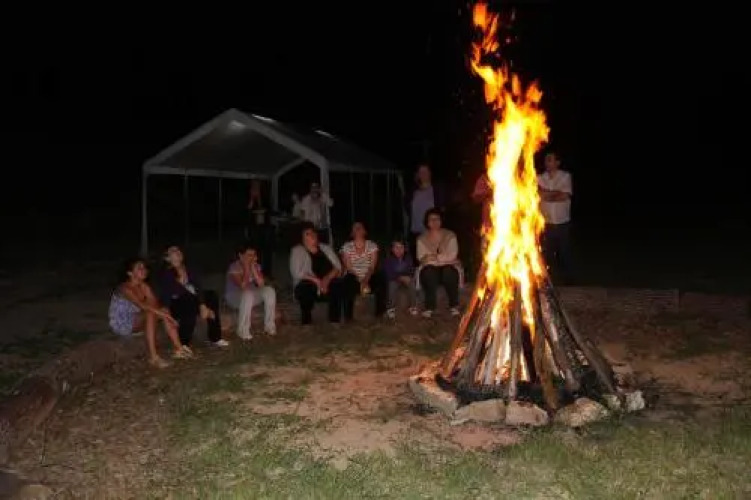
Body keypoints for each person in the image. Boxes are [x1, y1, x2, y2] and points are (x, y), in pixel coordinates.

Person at [108, 257, 192, 368]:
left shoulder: (144, 286)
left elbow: (155, 305)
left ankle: (179, 349)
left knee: (163, 310)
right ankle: (154, 357)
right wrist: (167, 316)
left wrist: (166, 314)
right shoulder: (125, 288)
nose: (144, 270)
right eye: (139, 268)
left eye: (144, 268)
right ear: (130, 273)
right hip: (123, 323)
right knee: (151, 313)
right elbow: (142, 306)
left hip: (137, 318)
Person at [160, 246, 228, 348]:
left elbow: (198, 287)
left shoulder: (188, 269)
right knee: (188, 300)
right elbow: (177, 292)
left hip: (193, 300)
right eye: (173, 251)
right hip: (175, 304)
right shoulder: (166, 272)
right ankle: (184, 343)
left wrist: (203, 304)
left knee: (211, 295)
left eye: (179, 250)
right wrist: (202, 306)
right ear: (168, 258)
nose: (178, 252)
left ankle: (215, 338)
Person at [289, 223, 350, 325]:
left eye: (313, 232)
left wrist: (327, 279)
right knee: (304, 288)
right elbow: (296, 272)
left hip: (328, 282)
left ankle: (335, 321)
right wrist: (317, 281)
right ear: (302, 239)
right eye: (307, 234)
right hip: (309, 283)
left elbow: (338, 267)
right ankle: (307, 322)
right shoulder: (297, 251)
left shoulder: (326, 248)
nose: (312, 235)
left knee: (338, 285)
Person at [416, 208, 463, 318]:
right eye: (431, 219)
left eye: (437, 219)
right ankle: (429, 307)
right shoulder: (422, 239)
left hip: (448, 266)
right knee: (429, 273)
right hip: (431, 267)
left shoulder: (450, 235)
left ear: (441, 221)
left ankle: (454, 306)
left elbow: (453, 254)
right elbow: (421, 258)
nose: (434, 222)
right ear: (427, 223)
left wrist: (433, 257)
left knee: (449, 272)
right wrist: (443, 258)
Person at [225, 243, 277, 340]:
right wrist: (247, 268)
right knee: (248, 294)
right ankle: (242, 330)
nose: (252, 258)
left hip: (250, 295)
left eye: (254, 255)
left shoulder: (256, 266)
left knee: (269, 291)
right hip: (234, 297)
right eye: (249, 255)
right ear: (241, 255)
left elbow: (261, 284)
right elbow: (243, 286)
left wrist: (253, 269)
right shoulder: (234, 267)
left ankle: (270, 327)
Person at [538, 151, 573, 283]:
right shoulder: (539, 178)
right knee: (547, 255)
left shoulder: (565, 176)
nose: (547, 163)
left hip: (562, 223)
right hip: (546, 224)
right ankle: (548, 282)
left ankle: (569, 282)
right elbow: (538, 195)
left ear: (557, 162)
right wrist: (556, 193)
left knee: (564, 254)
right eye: (546, 160)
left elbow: (565, 196)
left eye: (550, 160)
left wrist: (546, 194)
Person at [339, 222, 387, 319]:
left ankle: (380, 313)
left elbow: (372, 267)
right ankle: (348, 317)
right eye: (355, 228)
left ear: (365, 231)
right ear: (352, 233)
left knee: (381, 278)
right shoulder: (347, 246)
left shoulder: (372, 245)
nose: (357, 229)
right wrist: (360, 281)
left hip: (368, 276)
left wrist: (365, 280)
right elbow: (349, 268)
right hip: (354, 276)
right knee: (347, 280)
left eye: (360, 227)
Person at [407, 163, 447, 258]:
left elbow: (442, 209)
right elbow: (407, 208)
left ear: (430, 173)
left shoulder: (436, 190)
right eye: (421, 172)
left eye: (425, 171)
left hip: (432, 232)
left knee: (433, 260)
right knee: (417, 260)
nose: (423, 174)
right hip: (416, 232)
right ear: (418, 174)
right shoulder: (413, 191)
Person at [383, 239, 418, 319]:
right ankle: (391, 308)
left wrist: (409, 276)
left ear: (404, 249)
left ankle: (413, 306)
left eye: (401, 247)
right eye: (396, 247)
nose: (399, 250)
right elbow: (389, 273)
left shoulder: (408, 258)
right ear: (392, 249)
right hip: (394, 279)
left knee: (412, 283)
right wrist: (400, 277)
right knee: (392, 285)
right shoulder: (388, 259)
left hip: (406, 278)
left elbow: (411, 270)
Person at [246, 180, 274, 278]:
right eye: (254, 186)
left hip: (265, 227)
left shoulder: (264, 196)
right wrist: (252, 198)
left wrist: (259, 199)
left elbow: (268, 209)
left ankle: (267, 272)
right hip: (254, 228)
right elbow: (248, 210)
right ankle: (256, 271)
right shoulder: (249, 197)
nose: (256, 188)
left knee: (267, 250)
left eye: (257, 186)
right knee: (256, 250)